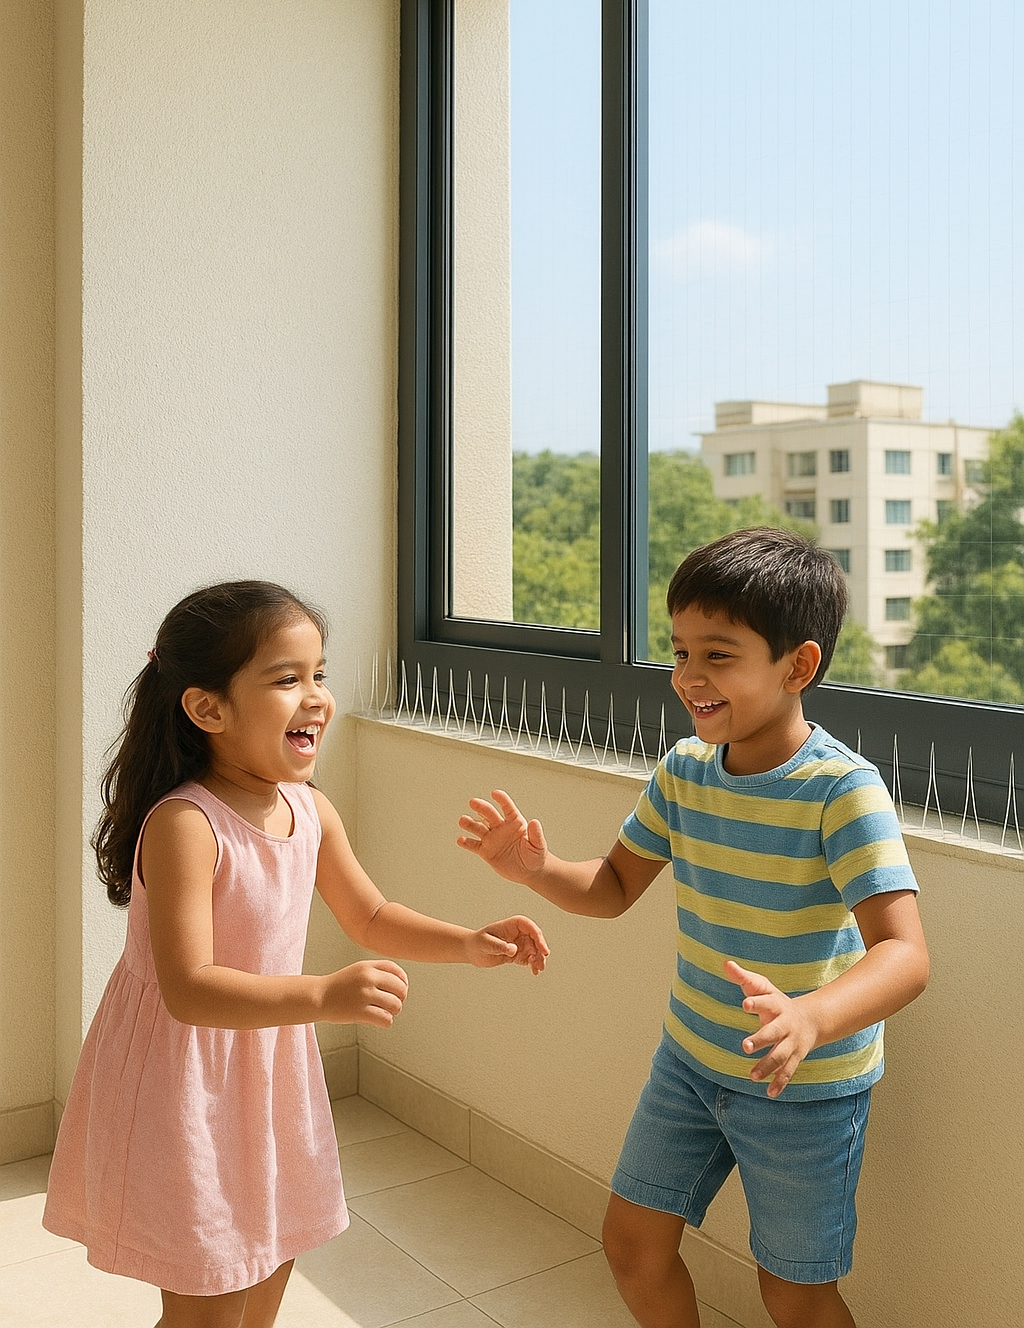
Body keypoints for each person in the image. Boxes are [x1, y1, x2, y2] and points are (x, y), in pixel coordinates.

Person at [44, 580, 548, 1328]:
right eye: (286, 679)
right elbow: (189, 989)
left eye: (319, 674)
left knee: (272, 1260)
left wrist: (469, 944)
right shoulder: (187, 824)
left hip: (270, 1072)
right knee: (209, 1302)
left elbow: (370, 913)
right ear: (208, 708)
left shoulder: (308, 809)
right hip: (188, 1079)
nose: (315, 696)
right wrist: (323, 996)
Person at [457, 528, 928, 1328]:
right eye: (679, 653)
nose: (688, 678)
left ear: (797, 666)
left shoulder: (841, 790)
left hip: (802, 1089)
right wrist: (537, 870)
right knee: (632, 1244)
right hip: (689, 1062)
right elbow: (610, 888)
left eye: (718, 655)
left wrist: (809, 1016)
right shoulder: (683, 769)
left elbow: (905, 955)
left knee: (794, 1293)